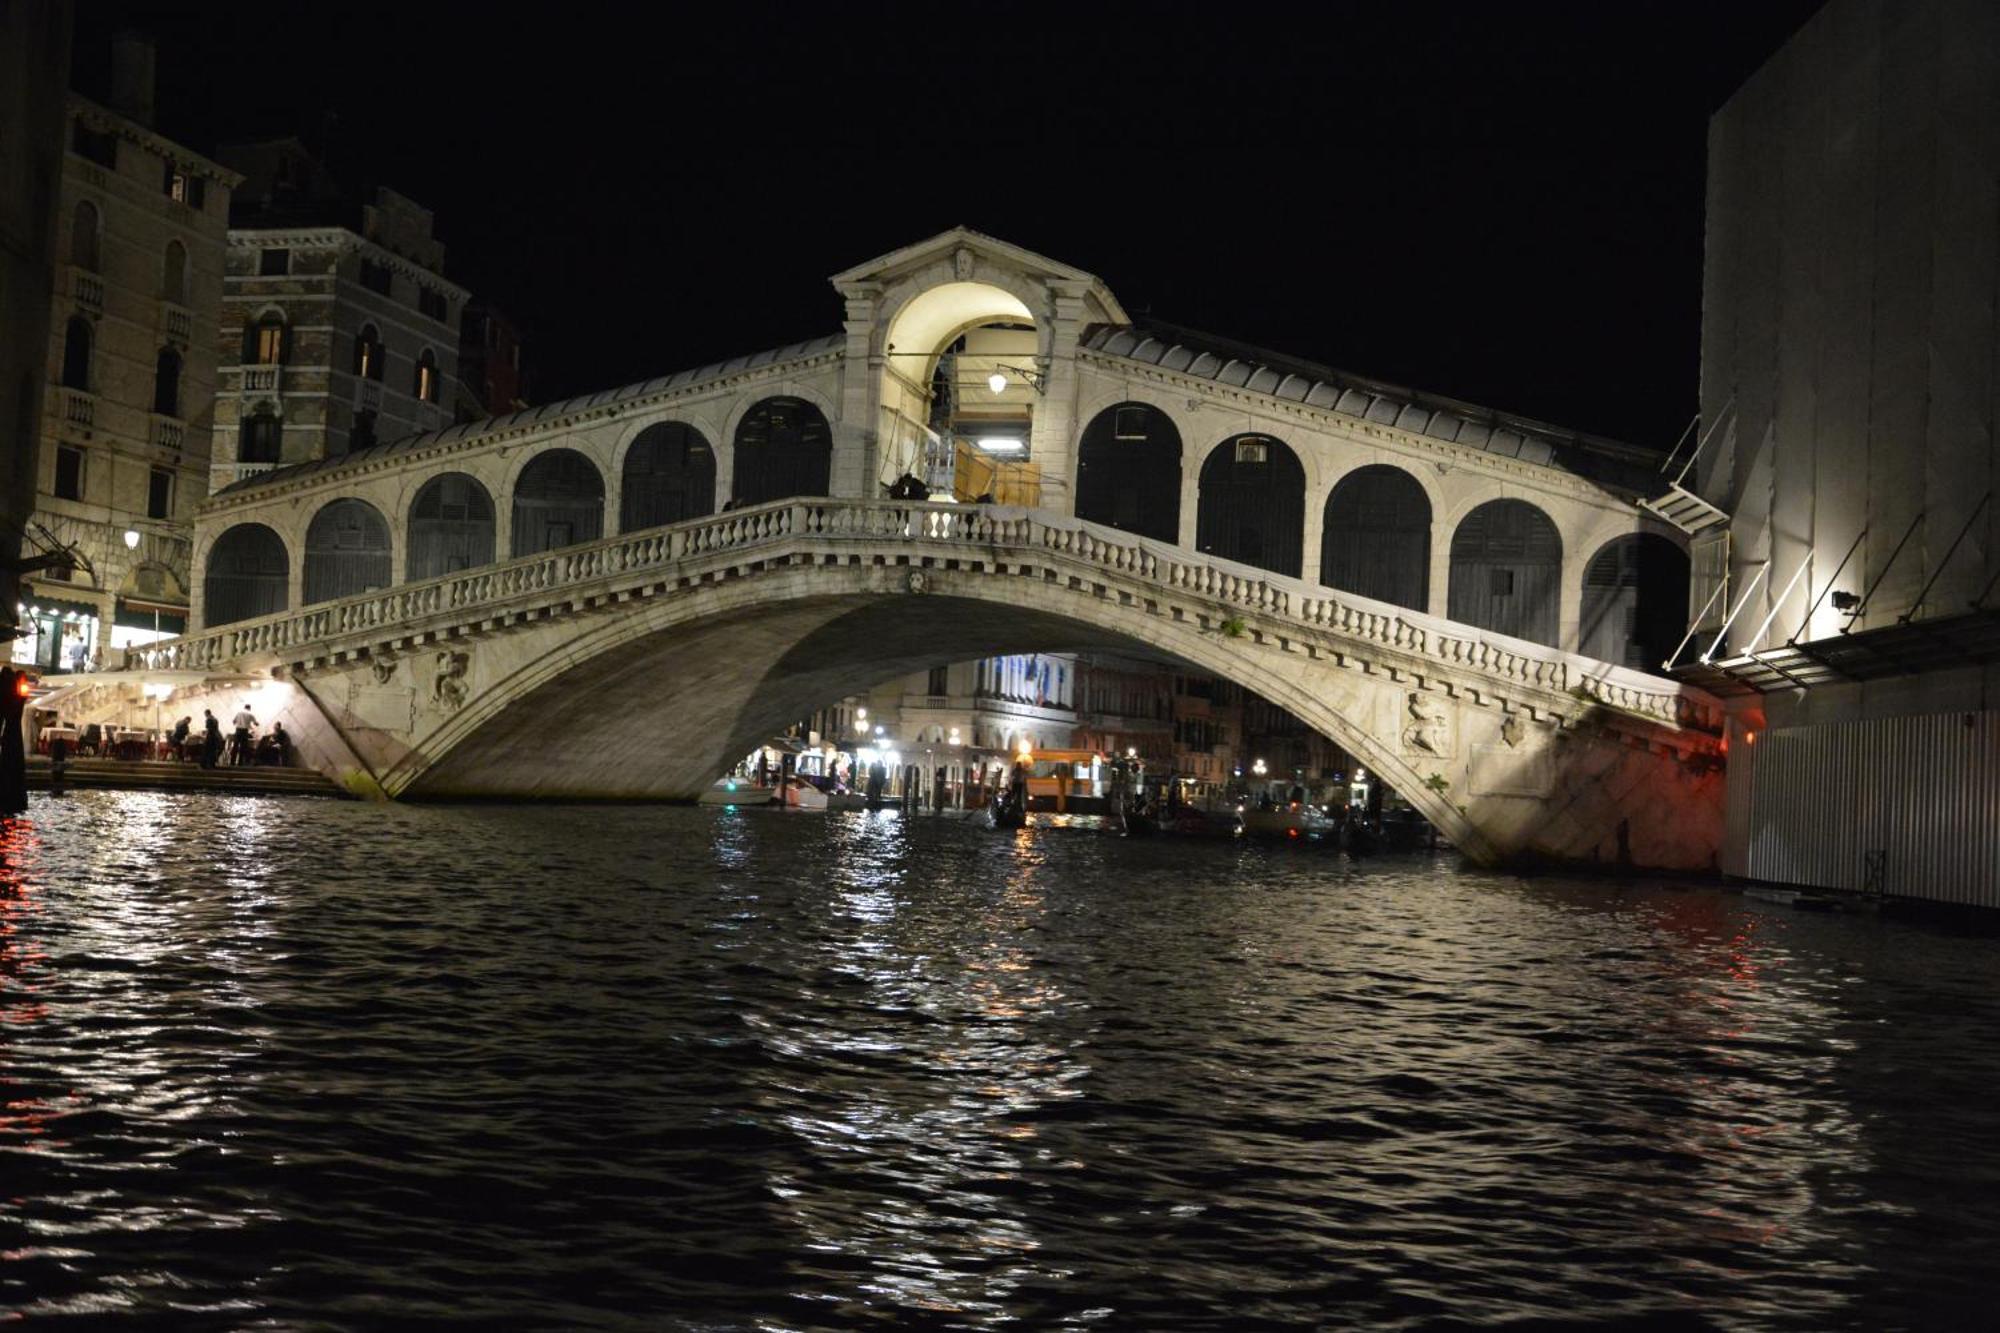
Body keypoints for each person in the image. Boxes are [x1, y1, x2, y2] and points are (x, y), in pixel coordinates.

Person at [230, 702, 257, 766]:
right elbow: (255, 723)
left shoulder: (239, 713)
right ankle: (240, 763)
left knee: (235, 746)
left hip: (238, 731)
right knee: (243, 747)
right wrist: (256, 724)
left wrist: (239, 723)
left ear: (244, 707)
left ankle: (232, 762)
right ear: (249, 708)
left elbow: (233, 722)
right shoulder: (250, 714)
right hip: (244, 732)